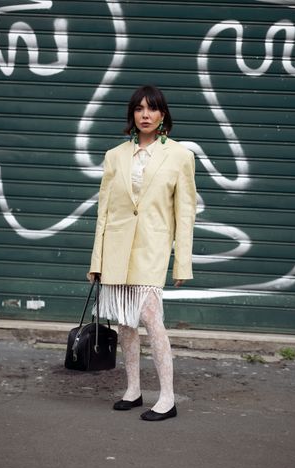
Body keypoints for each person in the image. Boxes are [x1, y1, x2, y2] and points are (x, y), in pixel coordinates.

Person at [87, 85, 196, 421]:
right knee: (125, 323)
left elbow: (186, 211)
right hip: (116, 251)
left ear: (163, 115)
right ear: (131, 115)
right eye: (139, 109)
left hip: (152, 249)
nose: (145, 115)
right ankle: (133, 390)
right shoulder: (115, 155)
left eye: (152, 108)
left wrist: (183, 262)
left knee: (151, 319)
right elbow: (103, 212)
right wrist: (97, 261)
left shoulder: (180, 155)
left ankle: (167, 398)